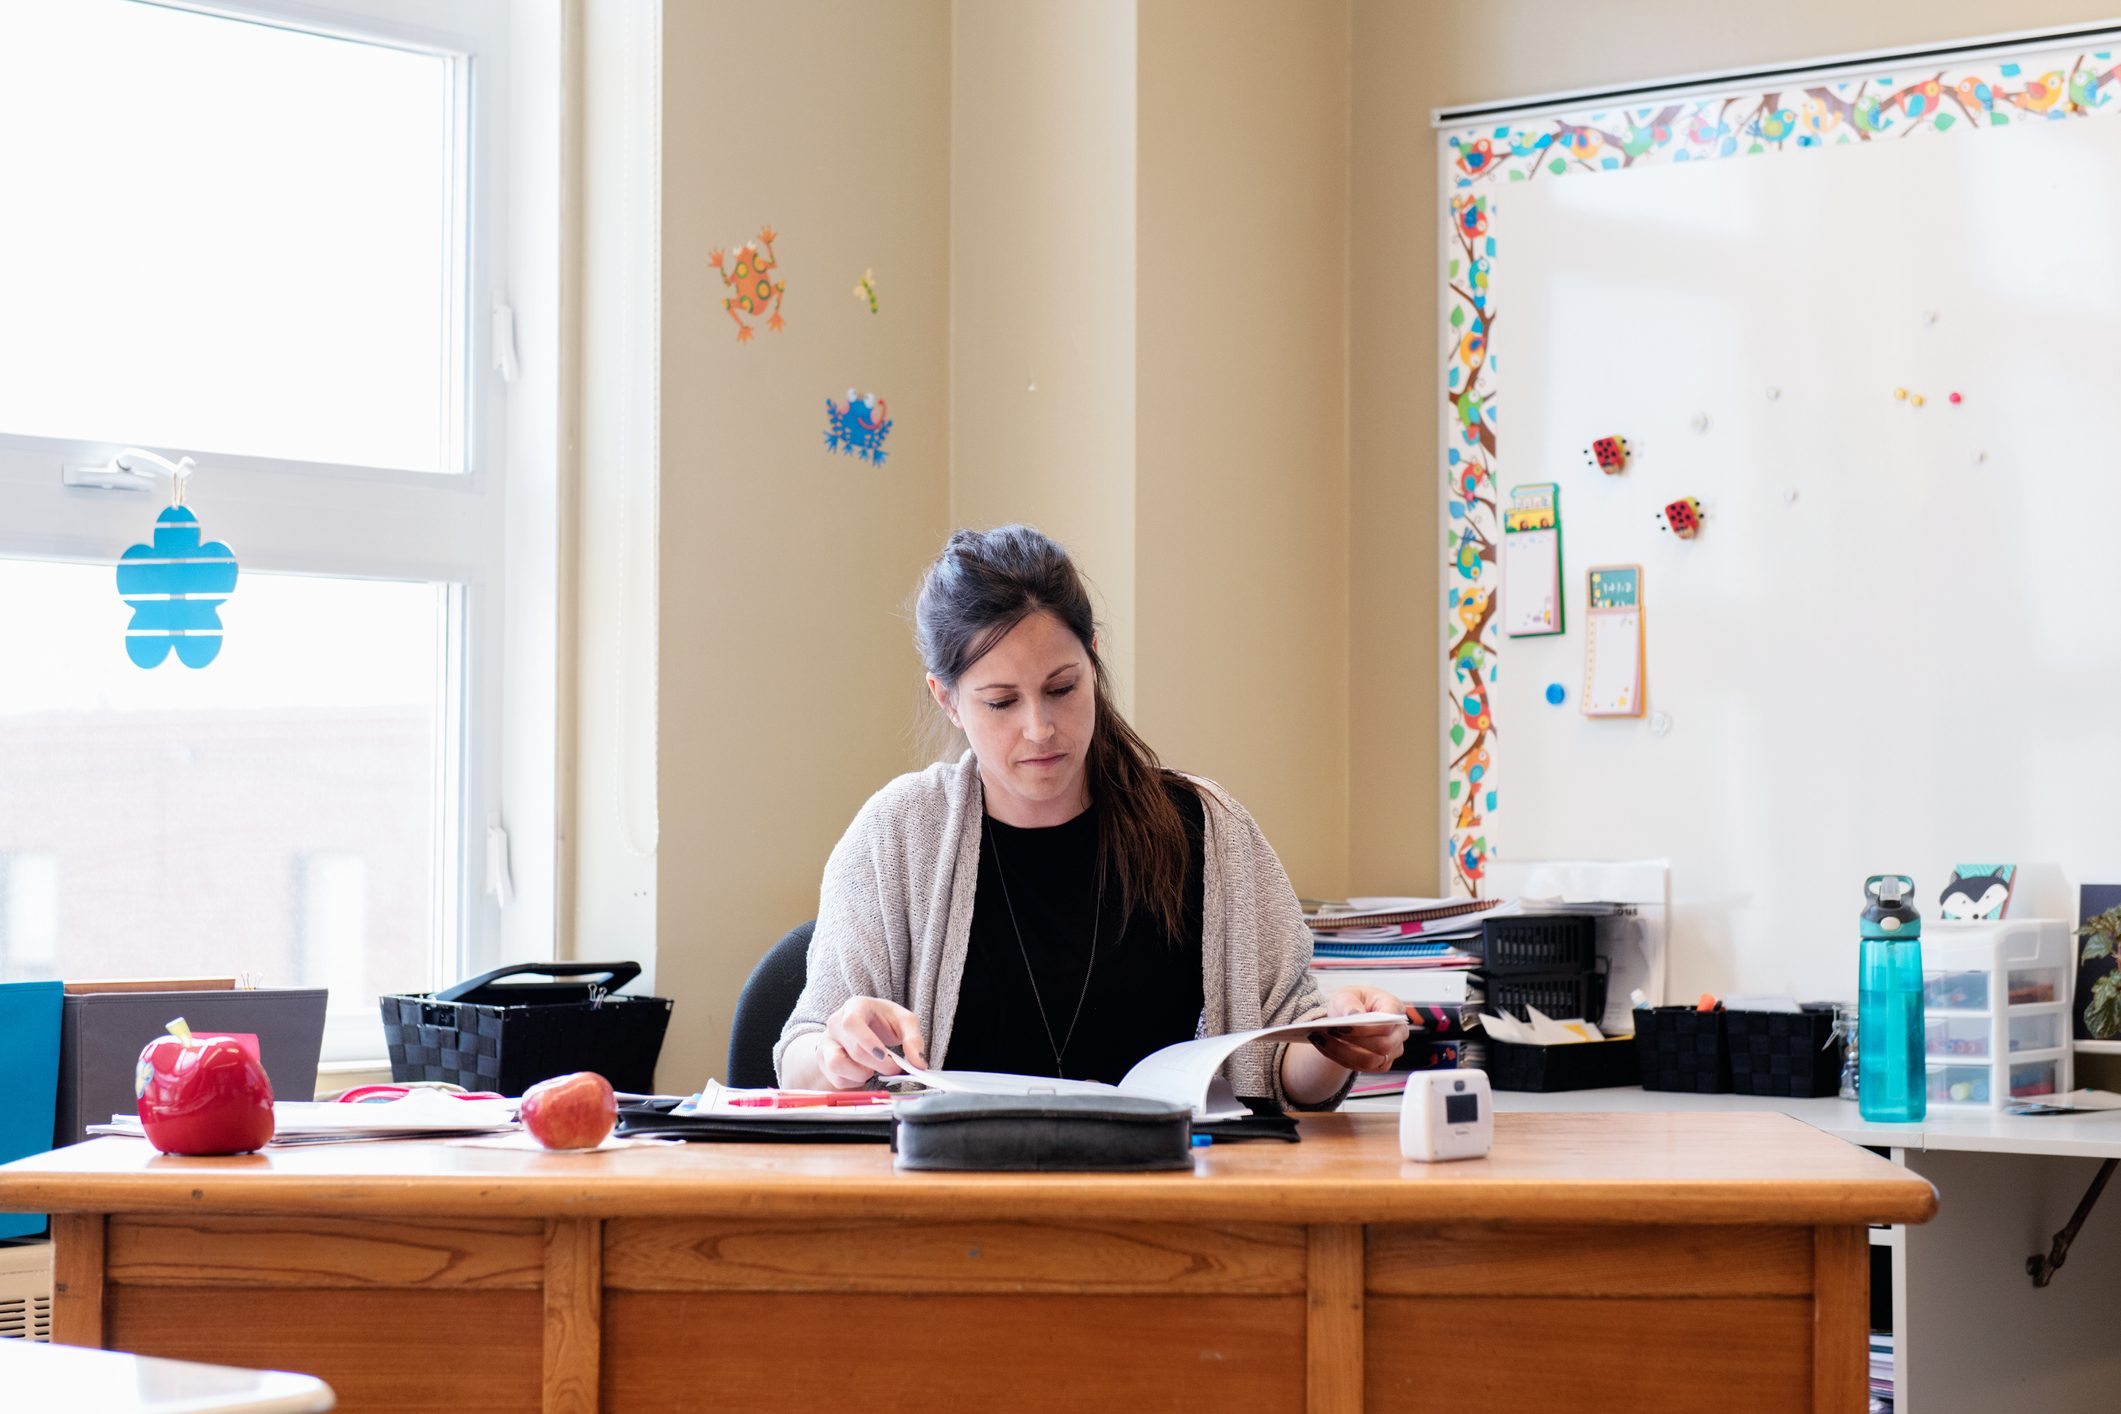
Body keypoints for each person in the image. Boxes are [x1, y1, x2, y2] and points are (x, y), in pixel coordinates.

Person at [775, 525, 1408, 1108]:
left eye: (1062, 687)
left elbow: (1280, 1067)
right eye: (1000, 702)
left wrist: (1334, 1043)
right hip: (955, 1201)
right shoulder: (895, 836)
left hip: (1162, 1197)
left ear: (1094, 662)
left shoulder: (1206, 831)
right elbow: (799, 1058)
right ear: (948, 700)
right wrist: (838, 1049)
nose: (1040, 728)